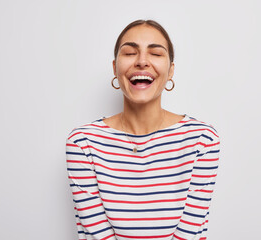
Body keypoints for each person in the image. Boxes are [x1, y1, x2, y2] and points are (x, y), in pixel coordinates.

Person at [66, 19, 220, 240]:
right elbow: (97, 232)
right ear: (114, 67)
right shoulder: (83, 142)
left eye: (156, 54)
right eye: (129, 53)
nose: (142, 61)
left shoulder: (202, 139)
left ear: (170, 71)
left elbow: (189, 232)